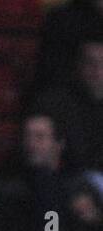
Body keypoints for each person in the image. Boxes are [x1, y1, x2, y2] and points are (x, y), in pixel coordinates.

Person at [0, 114, 75, 231]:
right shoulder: (9, 191)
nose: (31, 144)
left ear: (59, 144)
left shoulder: (78, 186)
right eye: (28, 137)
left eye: (40, 137)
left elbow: (55, 230)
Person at [33, 38, 103, 178]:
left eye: (102, 63)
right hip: (66, 182)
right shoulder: (54, 104)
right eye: (90, 62)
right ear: (78, 66)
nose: (98, 70)